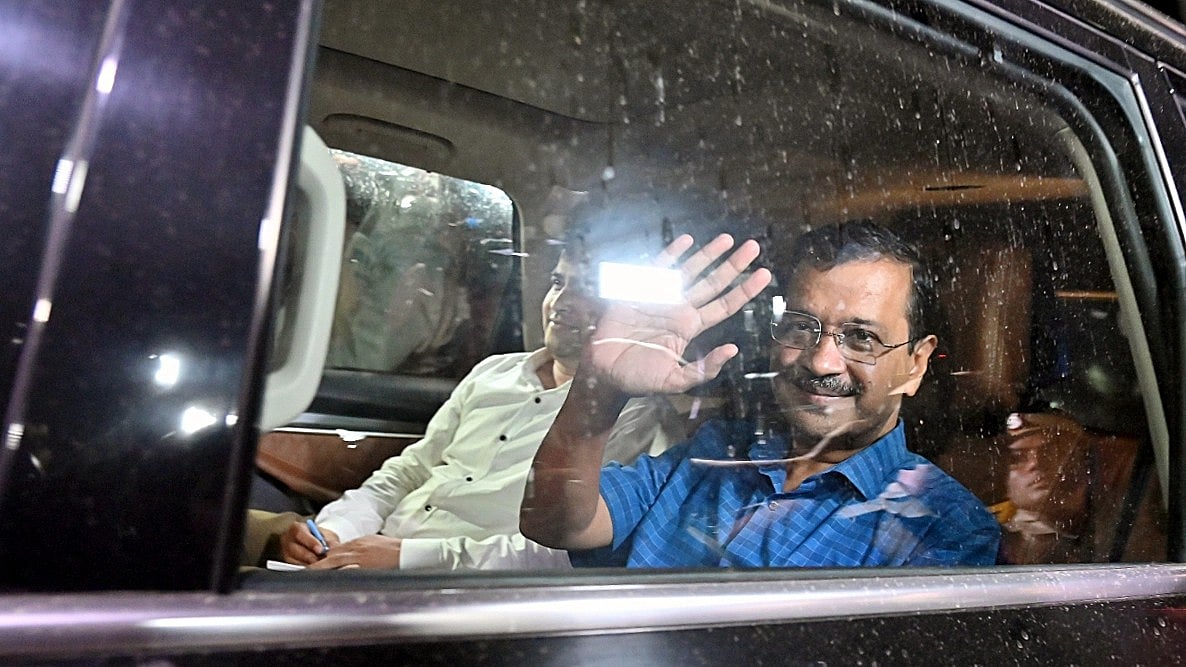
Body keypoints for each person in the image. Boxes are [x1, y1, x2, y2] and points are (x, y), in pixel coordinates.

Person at [520, 221, 1001, 567]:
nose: (820, 361)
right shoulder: (717, 453)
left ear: (915, 364)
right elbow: (557, 523)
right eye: (800, 328)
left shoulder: (942, 528)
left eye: (861, 338)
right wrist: (599, 388)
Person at [279, 246, 685, 570]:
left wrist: (405, 558)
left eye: (587, 292)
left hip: (460, 589)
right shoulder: (495, 371)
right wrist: (335, 529)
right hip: (369, 554)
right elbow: (411, 470)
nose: (561, 302)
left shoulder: (635, 420)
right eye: (559, 283)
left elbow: (559, 551)